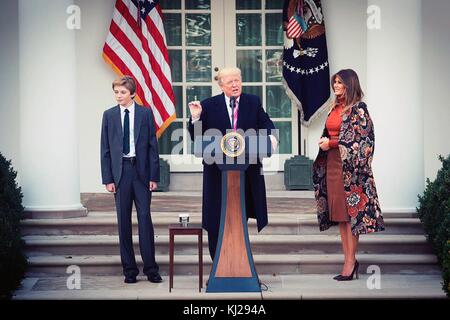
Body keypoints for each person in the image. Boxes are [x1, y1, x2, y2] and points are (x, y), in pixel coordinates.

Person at [188, 67, 278, 262]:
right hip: (216, 173)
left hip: (246, 172)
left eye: (238, 80)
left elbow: (266, 124)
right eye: (230, 82)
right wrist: (195, 117)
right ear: (221, 85)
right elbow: (196, 136)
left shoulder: (252, 102)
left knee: (240, 215)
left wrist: (271, 137)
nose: (235, 85)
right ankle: (217, 262)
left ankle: (238, 261)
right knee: (216, 218)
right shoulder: (208, 105)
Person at [312, 69, 385, 281]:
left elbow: (363, 142)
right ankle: (348, 259)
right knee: (341, 218)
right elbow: (331, 132)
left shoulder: (359, 109)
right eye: (334, 82)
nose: (335, 86)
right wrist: (325, 142)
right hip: (332, 167)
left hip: (352, 172)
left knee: (351, 216)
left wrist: (332, 143)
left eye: (340, 83)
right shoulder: (334, 108)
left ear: (350, 85)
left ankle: (350, 262)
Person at [100, 75, 162, 284]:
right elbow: (105, 150)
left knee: (145, 219)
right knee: (123, 222)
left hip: (141, 173)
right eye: (116, 92)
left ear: (133, 93)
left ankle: (151, 269)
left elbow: (153, 146)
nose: (119, 96)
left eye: (123, 92)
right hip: (121, 174)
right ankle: (129, 270)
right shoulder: (108, 116)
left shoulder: (145, 113)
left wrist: (154, 175)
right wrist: (108, 178)